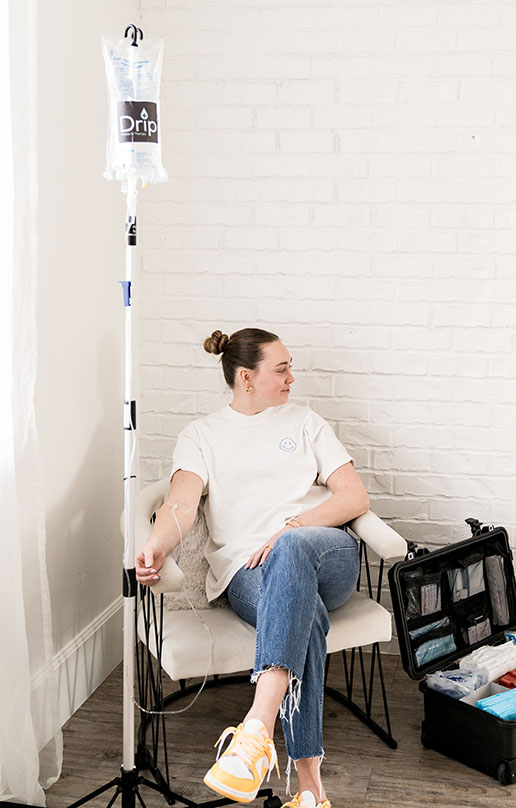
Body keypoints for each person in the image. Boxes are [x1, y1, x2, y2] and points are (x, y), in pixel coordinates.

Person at [135, 327, 370, 808]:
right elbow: (181, 502)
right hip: (247, 577)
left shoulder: (305, 421)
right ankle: (311, 790)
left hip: (325, 552)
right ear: (246, 377)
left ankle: (257, 727)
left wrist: (293, 527)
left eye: (289, 368)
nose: (291, 378)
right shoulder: (202, 435)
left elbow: (354, 497)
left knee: (291, 551)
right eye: (281, 369)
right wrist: (156, 543)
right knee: (305, 616)